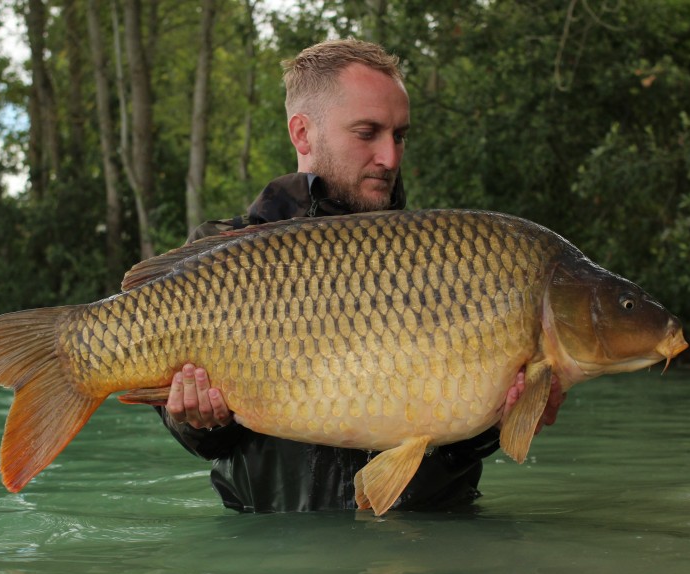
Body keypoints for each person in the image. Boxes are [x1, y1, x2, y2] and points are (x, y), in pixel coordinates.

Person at [154, 38, 566, 512]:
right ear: (303, 134)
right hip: (274, 558)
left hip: (429, 547)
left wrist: (499, 421)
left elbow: (453, 437)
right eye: (367, 133)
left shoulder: (448, 260)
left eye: (400, 135)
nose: (389, 157)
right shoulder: (222, 258)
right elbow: (206, 444)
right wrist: (196, 418)